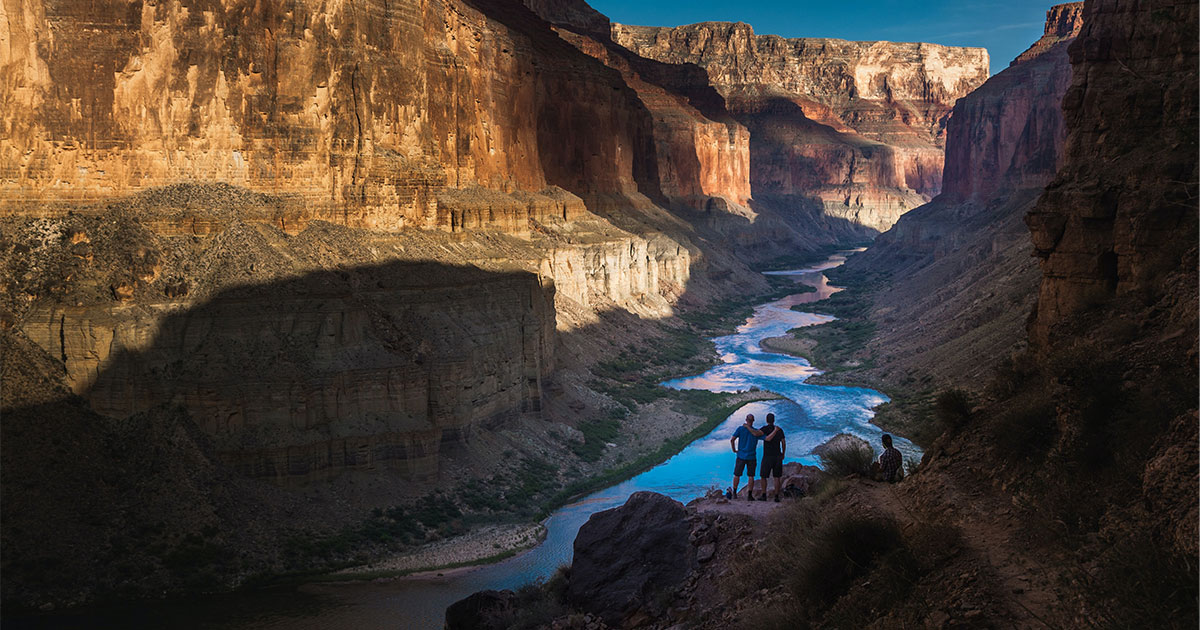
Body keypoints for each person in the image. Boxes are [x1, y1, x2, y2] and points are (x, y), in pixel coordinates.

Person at [730, 413, 766, 500]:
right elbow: (766, 438)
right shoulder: (756, 432)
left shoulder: (740, 429)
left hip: (741, 455)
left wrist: (734, 450)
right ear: (753, 421)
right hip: (751, 456)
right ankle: (749, 495)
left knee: (737, 475)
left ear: (746, 420)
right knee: (751, 476)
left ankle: (734, 493)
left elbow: (732, 439)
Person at [757, 413, 786, 502]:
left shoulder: (764, 429)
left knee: (763, 476)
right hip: (777, 456)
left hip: (767, 456)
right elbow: (783, 442)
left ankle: (764, 495)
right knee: (777, 477)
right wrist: (783, 453)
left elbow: (757, 434)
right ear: (774, 420)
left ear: (767, 420)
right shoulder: (779, 430)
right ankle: (776, 496)